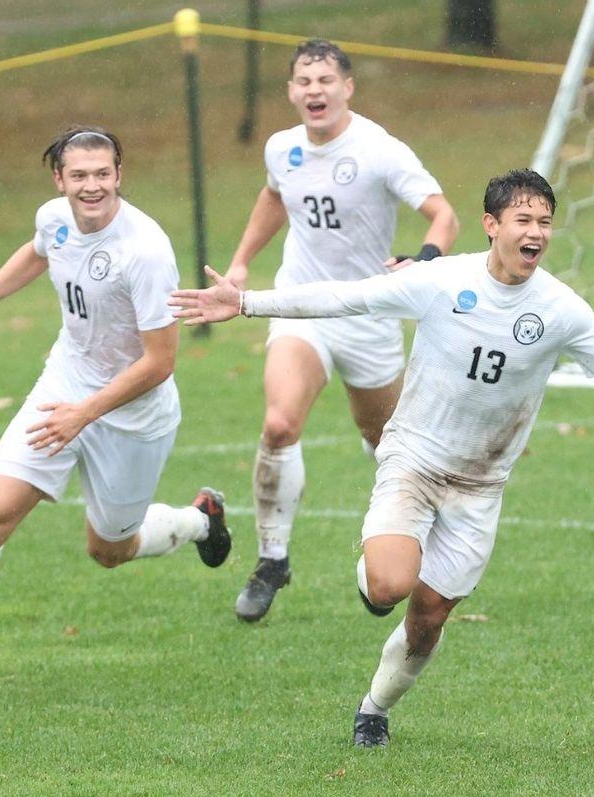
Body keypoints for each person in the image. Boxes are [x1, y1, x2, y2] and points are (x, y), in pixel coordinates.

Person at [169, 168, 594, 747]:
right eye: (522, 218)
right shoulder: (440, 281)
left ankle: (373, 711)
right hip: (412, 460)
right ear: (491, 224)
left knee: (428, 617)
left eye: (545, 220)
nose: (535, 231)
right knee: (386, 587)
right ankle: (377, 569)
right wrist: (246, 304)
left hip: (481, 486)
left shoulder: (562, 310)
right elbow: (349, 298)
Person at [0, 126, 232, 702]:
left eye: (103, 174)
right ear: (60, 179)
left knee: (108, 551)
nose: (92, 186)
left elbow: (161, 362)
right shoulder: (55, 216)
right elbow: (37, 251)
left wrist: (84, 416)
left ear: (119, 174)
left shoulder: (145, 251)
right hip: (64, 383)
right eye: (79, 176)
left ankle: (200, 520)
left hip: (132, 413)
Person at [224, 38, 459, 622]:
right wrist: (241, 262)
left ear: (347, 87)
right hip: (300, 303)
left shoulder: (379, 150)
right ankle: (272, 559)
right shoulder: (282, 148)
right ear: (291, 92)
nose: (315, 91)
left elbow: (443, 213)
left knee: (389, 445)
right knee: (279, 424)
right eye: (304, 82)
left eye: (326, 80)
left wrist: (425, 259)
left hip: (368, 314)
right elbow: (275, 198)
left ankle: (396, 553)